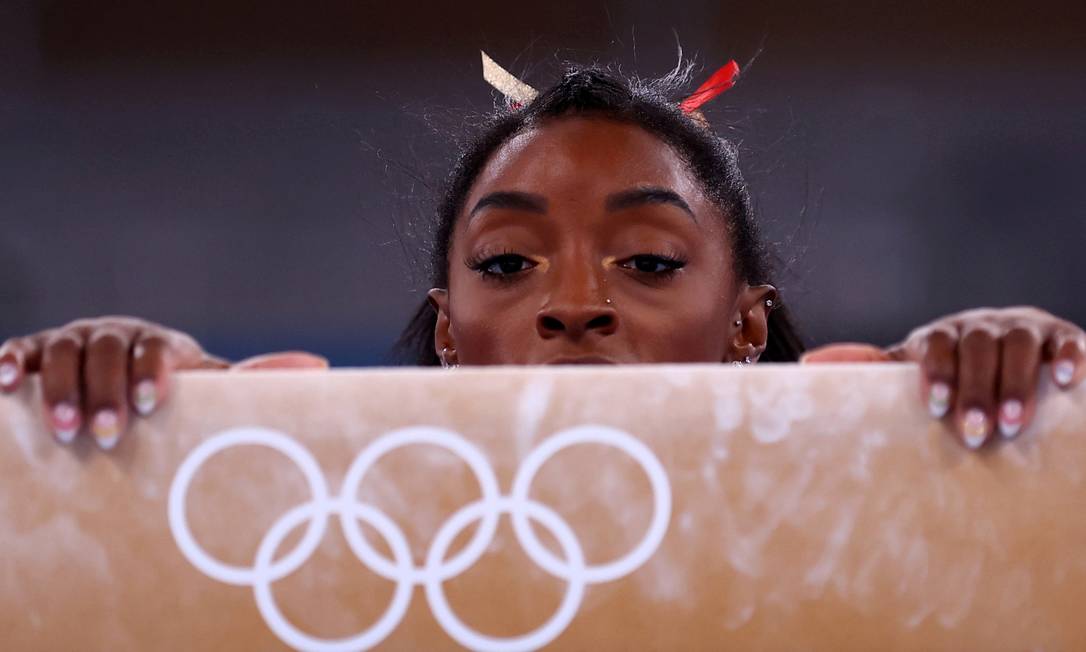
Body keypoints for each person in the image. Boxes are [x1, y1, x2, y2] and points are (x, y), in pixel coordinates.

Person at [1, 62, 1083, 453]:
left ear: (749, 322)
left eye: (648, 261)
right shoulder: (339, 531)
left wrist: (1032, 403)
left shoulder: (878, 515)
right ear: (446, 331)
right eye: (510, 263)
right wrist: (156, 439)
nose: (574, 305)